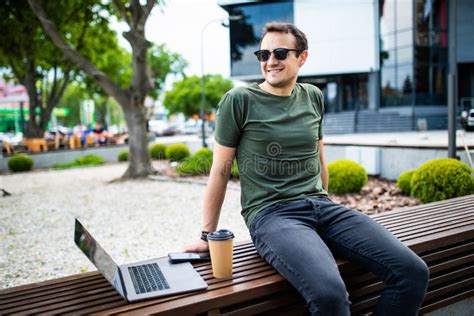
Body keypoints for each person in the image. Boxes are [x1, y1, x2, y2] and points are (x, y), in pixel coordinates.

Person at [183, 22, 429, 315]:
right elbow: (220, 170)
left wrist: (326, 206)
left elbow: (319, 158)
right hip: (272, 215)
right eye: (263, 54)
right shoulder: (239, 100)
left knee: (412, 271)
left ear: (302, 57)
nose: (270, 61)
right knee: (330, 296)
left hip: (322, 207)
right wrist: (205, 235)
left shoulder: (313, 96)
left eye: (280, 53)